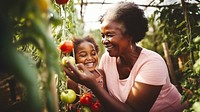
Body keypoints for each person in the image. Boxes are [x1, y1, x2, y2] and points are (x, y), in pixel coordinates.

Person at [64, 2, 188, 112]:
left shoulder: (152, 64)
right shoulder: (107, 58)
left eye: (109, 35)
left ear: (130, 35)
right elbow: (105, 97)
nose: (104, 41)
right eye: (103, 35)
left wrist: (93, 85)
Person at [66, 35, 107, 111]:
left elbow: (106, 97)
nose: (90, 58)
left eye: (93, 53)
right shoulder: (73, 80)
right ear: (74, 58)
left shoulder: (101, 74)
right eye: (83, 55)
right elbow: (71, 105)